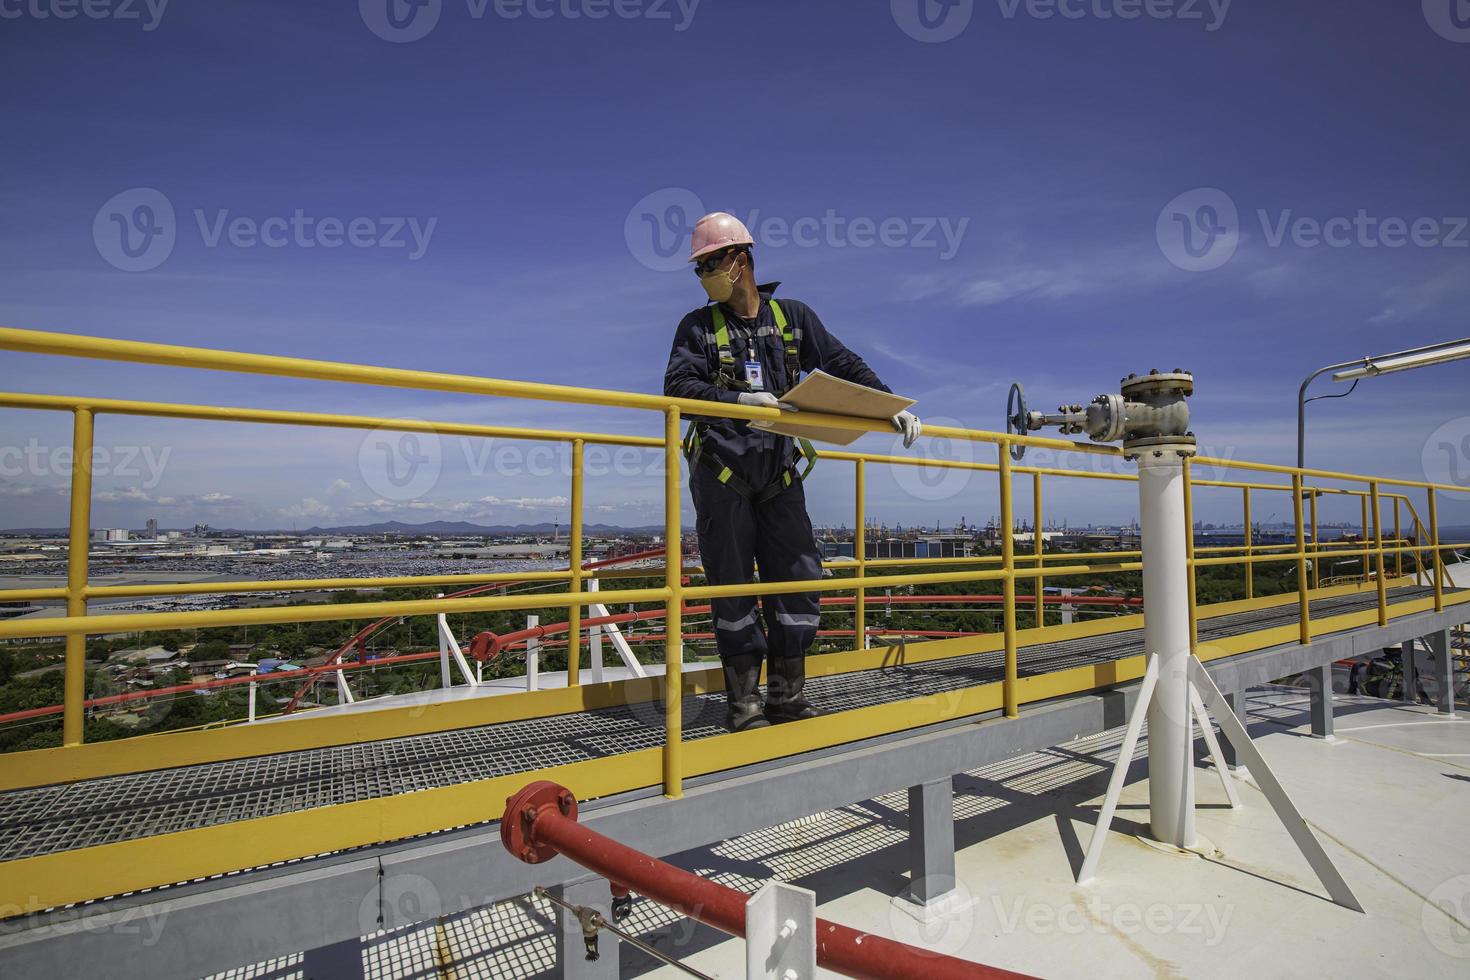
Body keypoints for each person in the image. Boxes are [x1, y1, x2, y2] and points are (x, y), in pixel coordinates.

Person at [663, 212, 922, 731]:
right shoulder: (697, 327)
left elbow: (841, 363)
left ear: (741, 260)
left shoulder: (793, 318)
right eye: (699, 269)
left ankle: (787, 697)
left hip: (780, 475)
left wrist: (886, 405)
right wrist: (736, 398)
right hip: (723, 478)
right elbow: (677, 390)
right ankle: (745, 705)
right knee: (732, 589)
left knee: (799, 581)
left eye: (710, 263)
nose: (704, 275)